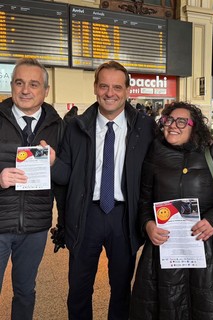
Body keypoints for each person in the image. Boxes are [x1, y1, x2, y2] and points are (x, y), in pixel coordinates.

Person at [47, 60, 156, 320]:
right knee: (79, 289)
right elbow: (64, 177)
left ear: (128, 90)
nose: (110, 93)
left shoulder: (145, 127)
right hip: (86, 216)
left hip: (124, 217)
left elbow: (159, 170)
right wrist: (51, 163)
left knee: (121, 289)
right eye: (104, 86)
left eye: (117, 87)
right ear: (95, 88)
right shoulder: (76, 127)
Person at [130, 102, 213, 319]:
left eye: (182, 121)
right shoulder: (155, 152)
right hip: (165, 248)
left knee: (206, 305)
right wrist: (148, 225)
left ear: (195, 126)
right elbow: (144, 200)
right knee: (166, 305)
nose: (173, 125)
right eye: (169, 120)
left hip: (208, 248)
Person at [0, 58, 64, 320]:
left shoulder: (59, 127)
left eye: (34, 84)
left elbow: (67, 176)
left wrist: (55, 163)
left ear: (45, 91)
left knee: (26, 291)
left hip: (35, 228)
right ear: (12, 86)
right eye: (19, 82)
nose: (25, 90)